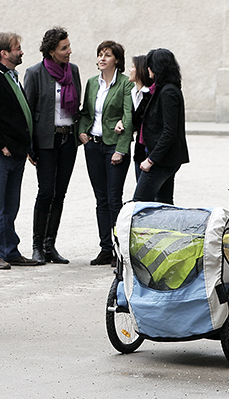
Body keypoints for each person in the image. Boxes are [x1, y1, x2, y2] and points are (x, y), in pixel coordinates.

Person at [0, 32, 40, 270]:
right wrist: (0, 145)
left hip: (17, 153)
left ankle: (9, 250)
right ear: (4, 53)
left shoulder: (13, 77)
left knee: (10, 206)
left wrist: (27, 148)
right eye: (17, 48)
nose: (21, 51)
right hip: (0, 154)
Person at [24, 26, 81, 264]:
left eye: (68, 46)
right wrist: (30, 146)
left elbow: (78, 105)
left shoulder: (73, 71)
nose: (69, 51)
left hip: (68, 139)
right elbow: (28, 111)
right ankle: (37, 245)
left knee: (60, 193)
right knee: (46, 192)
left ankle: (50, 245)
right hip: (46, 141)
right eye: (64, 48)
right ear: (51, 51)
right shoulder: (35, 73)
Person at [77, 40, 134, 266]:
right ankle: (105, 248)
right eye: (100, 54)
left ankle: (119, 250)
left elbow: (128, 117)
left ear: (116, 60)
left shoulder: (125, 84)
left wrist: (121, 149)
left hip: (114, 147)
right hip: (93, 145)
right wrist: (81, 131)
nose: (101, 59)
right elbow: (85, 112)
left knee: (113, 199)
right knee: (100, 199)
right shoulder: (92, 83)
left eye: (107, 55)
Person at [132, 48, 189, 205]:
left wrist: (151, 160)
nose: (147, 69)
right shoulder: (160, 89)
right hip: (163, 158)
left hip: (162, 160)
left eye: (150, 65)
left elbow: (169, 131)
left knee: (140, 203)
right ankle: (165, 230)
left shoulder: (168, 92)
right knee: (163, 203)